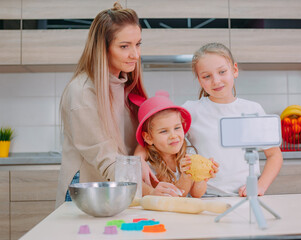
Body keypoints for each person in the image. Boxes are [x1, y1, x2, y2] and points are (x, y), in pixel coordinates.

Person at [55, 3, 148, 207]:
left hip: (119, 188)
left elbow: (137, 144)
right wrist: (150, 191)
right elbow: (106, 158)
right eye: (124, 46)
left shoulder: (125, 85)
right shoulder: (82, 91)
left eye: (138, 44)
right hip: (88, 192)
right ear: (102, 48)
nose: (136, 54)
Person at [182, 42, 283, 197]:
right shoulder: (190, 110)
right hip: (205, 198)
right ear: (200, 81)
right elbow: (166, 145)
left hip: (246, 196)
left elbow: (274, 155)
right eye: (206, 76)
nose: (216, 81)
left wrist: (260, 186)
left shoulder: (253, 110)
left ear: (234, 70)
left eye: (222, 72)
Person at [130, 90, 219, 198]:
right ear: (148, 138)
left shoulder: (188, 153)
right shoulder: (150, 165)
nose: (173, 136)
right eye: (164, 131)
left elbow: (197, 194)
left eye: (177, 128)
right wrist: (186, 176)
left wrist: (203, 177)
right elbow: (175, 196)